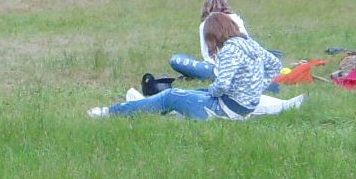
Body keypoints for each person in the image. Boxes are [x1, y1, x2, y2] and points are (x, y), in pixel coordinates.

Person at [89, 12, 280, 120]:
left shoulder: (230, 49)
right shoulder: (249, 43)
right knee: (193, 93)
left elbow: (222, 85)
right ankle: (146, 106)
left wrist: (212, 91)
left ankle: (111, 111)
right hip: (244, 107)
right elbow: (275, 64)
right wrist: (257, 88)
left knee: (171, 95)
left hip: (227, 110)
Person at [168, 0, 251, 80]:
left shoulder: (206, 24)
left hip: (218, 69)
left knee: (176, 60)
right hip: (245, 67)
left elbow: (207, 55)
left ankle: (199, 75)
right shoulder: (236, 19)